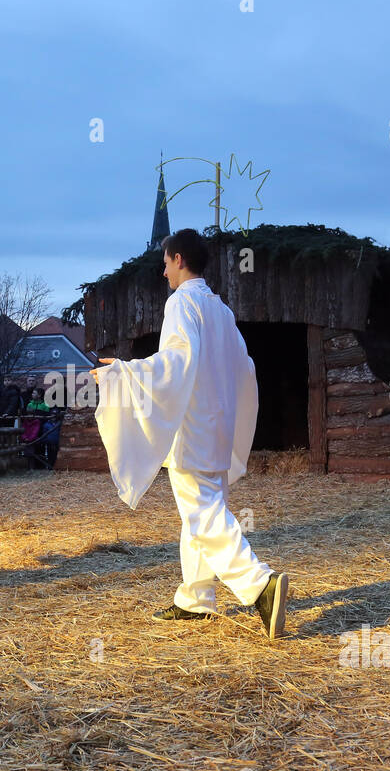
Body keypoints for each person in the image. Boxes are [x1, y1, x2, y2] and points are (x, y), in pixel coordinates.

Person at [90, 228, 289, 639]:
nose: (163, 272)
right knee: (199, 512)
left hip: (193, 427)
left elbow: (175, 364)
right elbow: (244, 369)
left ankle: (259, 585)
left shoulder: (182, 303)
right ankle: (195, 599)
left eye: (165, 263)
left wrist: (123, 371)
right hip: (216, 426)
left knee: (203, 512)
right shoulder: (220, 309)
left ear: (179, 259)